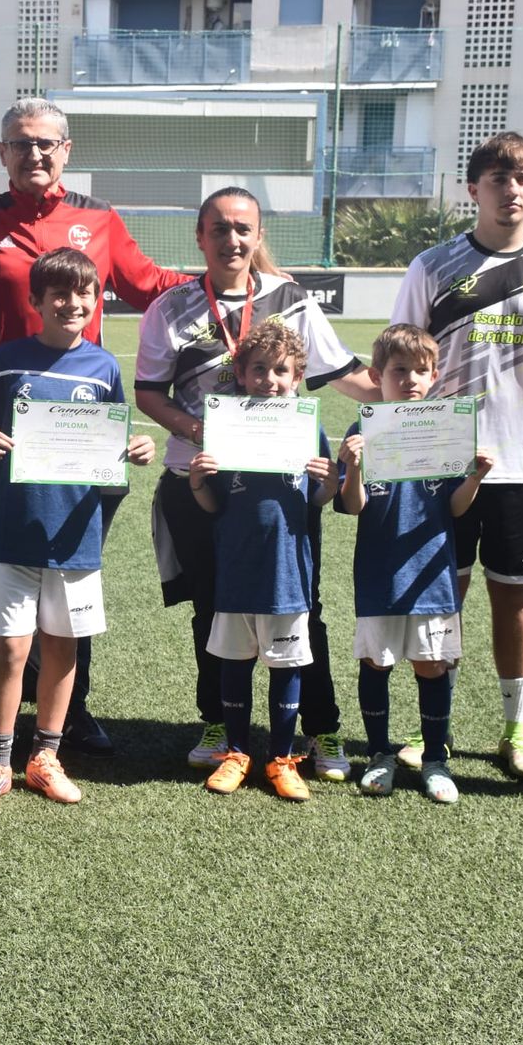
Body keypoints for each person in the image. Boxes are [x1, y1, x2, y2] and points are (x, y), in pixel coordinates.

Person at [0, 97, 270, 757]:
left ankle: (69, 714)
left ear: (67, 150)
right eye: (21, 143)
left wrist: (237, 280)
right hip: (7, 439)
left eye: (47, 144)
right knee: (7, 575)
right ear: (2, 153)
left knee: (73, 570)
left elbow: (153, 287)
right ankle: (1, 721)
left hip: (83, 442)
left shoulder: (98, 220)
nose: (35, 154)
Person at [135, 186, 381, 780]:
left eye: (243, 228)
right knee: (213, 607)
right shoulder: (169, 307)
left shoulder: (290, 300)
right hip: (198, 477)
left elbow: (346, 376)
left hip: (284, 485)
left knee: (303, 607)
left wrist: (419, 410)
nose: (232, 239)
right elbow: (147, 392)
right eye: (219, 229)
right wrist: (198, 430)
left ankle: (320, 728)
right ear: (200, 238)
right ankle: (219, 723)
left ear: (259, 236)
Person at [389, 131, 523, 778]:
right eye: (499, 178)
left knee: (518, 605)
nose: (512, 189)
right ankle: (436, 734)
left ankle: (518, 730)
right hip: (444, 465)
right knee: (441, 601)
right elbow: (402, 361)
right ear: (473, 188)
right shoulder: (433, 266)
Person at [0, 249, 155, 810]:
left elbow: (112, 446)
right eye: (60, 295)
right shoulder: (6, 359)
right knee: (11, 648)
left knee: (62, 648)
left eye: (84, 294)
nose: (73, 304)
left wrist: (136, 449)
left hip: (75, 535)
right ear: (36, 301)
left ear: (97, 301)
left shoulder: (103, 367)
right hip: (14, 530)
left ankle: (45, 756)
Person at [336, 325, 494, 804]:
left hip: (431, 574)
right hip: (380, 572)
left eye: (420, 371)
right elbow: (353, 505)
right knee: (376, 663)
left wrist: (476, 476)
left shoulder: (445, 427)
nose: (409, 379)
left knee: (431, 665)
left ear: (434, 376)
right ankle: (380, 755)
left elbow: (457, 508)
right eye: (398, 370)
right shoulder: (361, 431)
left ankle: (435, 761)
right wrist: (354, 468)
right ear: (377, 375)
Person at [187, 322, 338, 802]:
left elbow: (319, 499)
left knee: (286, 664)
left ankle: (281, 756)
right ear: (241, 372)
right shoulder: (226, 425)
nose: (269, 380)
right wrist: (196, 481)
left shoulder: (306, 426)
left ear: (297, 377)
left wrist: (331, 478)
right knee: (234, 664)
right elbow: (213, 506)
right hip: (236, 570)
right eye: (259, 370)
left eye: (280, 371)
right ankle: (236, 752)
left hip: (287, 573)